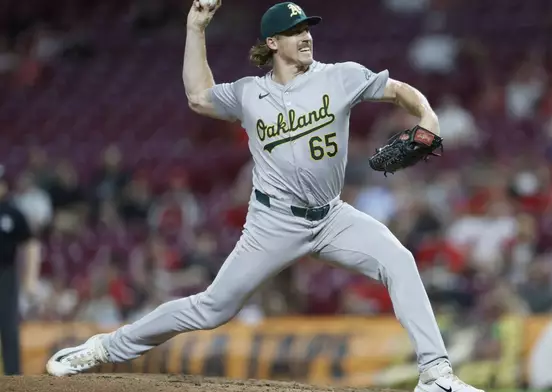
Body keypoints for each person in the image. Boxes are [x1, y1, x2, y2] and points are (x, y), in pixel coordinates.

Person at [46, 2, 483, 392]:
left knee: (399, 260)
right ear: (273, 42)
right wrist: (196, 29)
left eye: (307, 28)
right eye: (294, 31)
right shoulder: (249, 93)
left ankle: (436, 375)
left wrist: (428, 115)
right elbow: (199, 98)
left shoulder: (340, 76)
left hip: (332, 217)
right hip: (273, 223)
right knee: (211, 308)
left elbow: (398, 91)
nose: (306, 35)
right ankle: (104, 348)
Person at [0, 165, 42, 375]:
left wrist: (30, 278)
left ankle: (13, 377)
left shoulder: (12, 213)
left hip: (5, 274)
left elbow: (30, 244)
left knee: (8, 326)